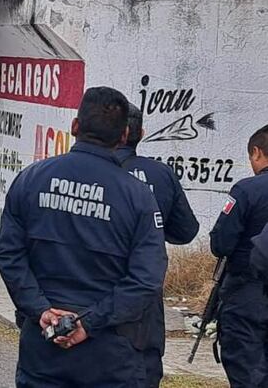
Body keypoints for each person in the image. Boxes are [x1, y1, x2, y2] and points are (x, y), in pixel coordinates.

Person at [0, 86, 167, 388]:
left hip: (44, 345)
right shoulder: (138, 197)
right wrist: (88, 323)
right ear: (124, 136)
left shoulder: (32, 179)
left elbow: (9, 254)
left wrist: (41, 310)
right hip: (110, 352)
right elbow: (146, 279)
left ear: (75, 126)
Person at [116, 104, 199, 388]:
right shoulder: (161, 174)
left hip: (91, 290)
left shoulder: (88, 172)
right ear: (140, 133)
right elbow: (186, 230)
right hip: (144, 293)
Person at [210, 124, 268, 388]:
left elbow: (221, 243)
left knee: (247, 372)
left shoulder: (247, 190)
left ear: (257, 153)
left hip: (248, 296)